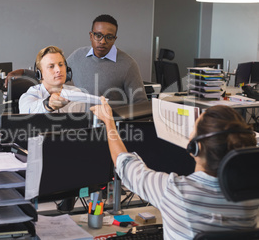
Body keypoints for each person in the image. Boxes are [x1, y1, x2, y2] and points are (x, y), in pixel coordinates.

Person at [91, 98, 259, 239]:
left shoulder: (174, 191)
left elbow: (124, 163)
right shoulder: (251, 199)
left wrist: (109, 122)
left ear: (195, 147)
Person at [5, 14, 147, 104]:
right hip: (79, 125)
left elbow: (141, 103)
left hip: (110, 129)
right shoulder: (79, 55)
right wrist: (23, 72)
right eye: (98, 35)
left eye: (109, 37)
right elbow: (55, 73)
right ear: (91, 36)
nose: (102, 41)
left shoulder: (128, 65)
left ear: (115, 39)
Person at [19, 46, 85, 113]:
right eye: (51, 66)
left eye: (61, 65)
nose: (58, 70)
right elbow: (28, 111)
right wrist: (48, 105)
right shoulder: (29, 96)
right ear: (40, 74)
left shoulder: (77, 93)